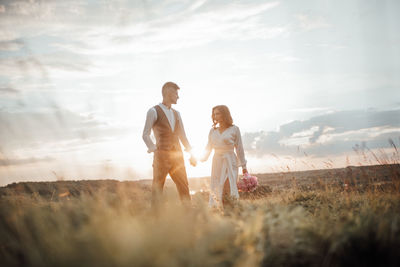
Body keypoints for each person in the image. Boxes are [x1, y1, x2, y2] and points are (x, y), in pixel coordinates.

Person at [142, 82, 197, 209]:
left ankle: (188, 215)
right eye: (176, 94)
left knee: (184, 186)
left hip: (178, 157)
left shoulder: (177, 114)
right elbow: (145, 134)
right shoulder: (153, 111)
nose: (178, 97)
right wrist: (154, 148)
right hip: (161, 156)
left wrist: (191, 154)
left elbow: (183, 136)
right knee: (157, 188)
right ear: (168, 93)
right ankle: (156, 219)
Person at [201, 105, 247, 208]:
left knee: (229, 186)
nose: (215, 116)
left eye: (218, 113)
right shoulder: (212, 131)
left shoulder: (234, 129)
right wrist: (200, 158)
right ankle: (219, 210)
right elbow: (208, 147)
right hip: (217, 161)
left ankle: (230, 209)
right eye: (214, 114)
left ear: (225, 114)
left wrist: (244, 167)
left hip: (230, 161)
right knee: (217, 187)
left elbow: (239, 148)